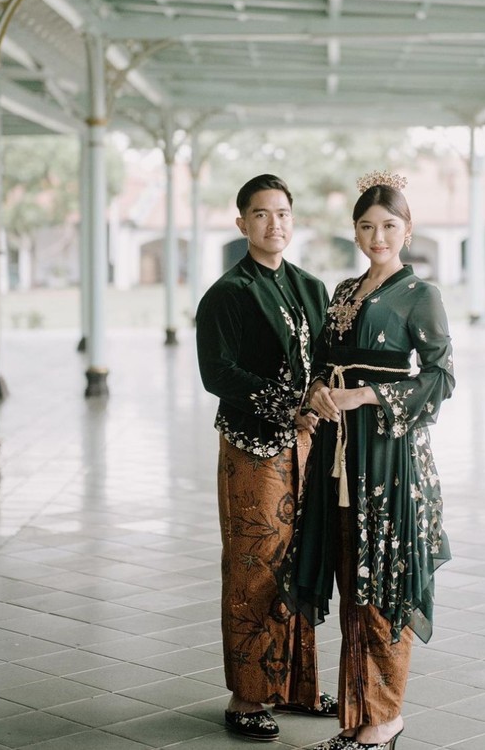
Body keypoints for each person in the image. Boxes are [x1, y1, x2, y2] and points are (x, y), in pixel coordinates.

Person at [278, 171, 455, 750]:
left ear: (407, 230)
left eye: (389, 226)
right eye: (366, 226)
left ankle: (384, 719)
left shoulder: (420, 294)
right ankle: (356, 719)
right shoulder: (344, 291)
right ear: (355, 230)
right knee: (351, 573)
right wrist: (319, 394)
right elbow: (322, 363)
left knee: (382, 576)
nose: (377, 236)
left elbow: (441, 376)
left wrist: (367, 394)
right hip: (336, 449)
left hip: (385, 453)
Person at [195, 174, 337, 741]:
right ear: (241, 223)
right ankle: (246, 696)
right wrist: (289, 407)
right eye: (260, 214)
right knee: (255, 565)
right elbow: (218, 374)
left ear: (292, 220)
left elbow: (325, 357)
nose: (273, 224)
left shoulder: (310, 286)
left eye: (282, 213)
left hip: (306, 446)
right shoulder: (228, 293)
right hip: (254, 448)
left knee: (300, 563)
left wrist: (321, 402)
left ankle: (296, 687)